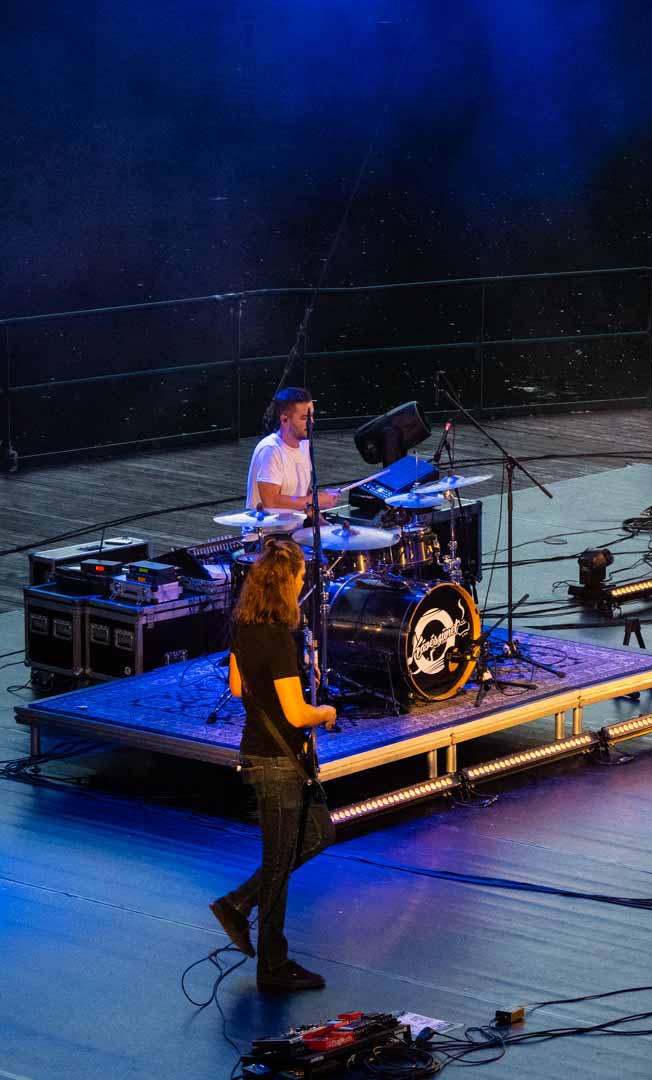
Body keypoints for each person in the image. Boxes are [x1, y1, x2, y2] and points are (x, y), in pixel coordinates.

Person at [209, 536, 338, 992]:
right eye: (300, 578)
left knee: (319, 834)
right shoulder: (279, 640)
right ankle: (272, 963)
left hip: (261, 753)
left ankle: (239, 906)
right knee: (280, 862)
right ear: (286, 584)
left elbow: (238, 687)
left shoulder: (245, 627)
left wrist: (290, 676)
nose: (303, 584)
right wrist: (326, 712)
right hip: (277, 760)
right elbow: (298, 715)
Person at [245, 386, 340, 532]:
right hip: (266, 537)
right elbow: (271, 502)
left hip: (293, 532)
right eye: (304, 418)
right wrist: (314, 500)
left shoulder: (305, 444)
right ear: (284, 419)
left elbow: (304, 497)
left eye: (312, 416)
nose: (311, 422)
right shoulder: (271, 449)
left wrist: (323, 524)